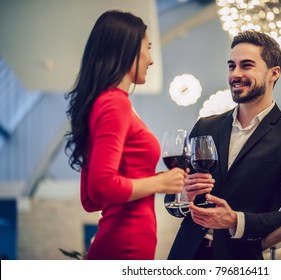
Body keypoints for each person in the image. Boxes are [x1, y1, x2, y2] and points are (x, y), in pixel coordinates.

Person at [165, 31, 281, 260]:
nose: (235, 74)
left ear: (274, 73)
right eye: (231, 66)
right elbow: (171, 202)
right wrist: (184, 195)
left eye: (246, 66)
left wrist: (236, 221)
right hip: (186, 254)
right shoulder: (205, 126)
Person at [64, 10, 186, 260]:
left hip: (118, 240)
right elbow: (101, 188)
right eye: (148, 48)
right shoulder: (114, 104)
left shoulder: (103, 102)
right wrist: (160, 183)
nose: (151, 60)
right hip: (127, 245)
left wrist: (159, 179)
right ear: (127, 49)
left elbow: (90, 199)